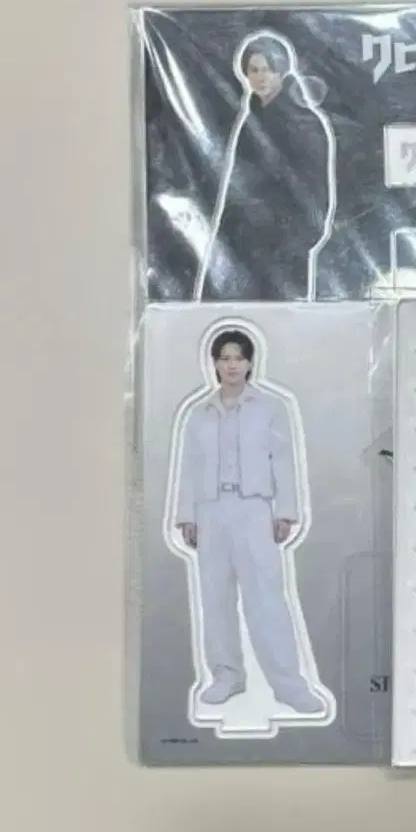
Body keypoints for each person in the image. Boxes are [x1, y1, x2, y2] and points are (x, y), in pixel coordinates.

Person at [174, 328, 325, 714]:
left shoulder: (270, 407)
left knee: (266, 597)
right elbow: (189, 467)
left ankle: (289, 685)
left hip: (254, 507)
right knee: (215, 597)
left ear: (250, 362)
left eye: (238, 358)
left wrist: (285, 511)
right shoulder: (199, 413)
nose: (231, 365)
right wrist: (187, 515)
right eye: (224, 358)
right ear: (214, 363)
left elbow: (284, 460)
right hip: (210, 509)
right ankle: (226, 675)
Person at [200, 35, 333, 301]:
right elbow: (236, 185)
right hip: (246, 242)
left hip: (285, 245)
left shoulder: (303, 121)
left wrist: (296, 238)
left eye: (268, 69)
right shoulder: (251, 119)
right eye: (254, 70)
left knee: (282, 316)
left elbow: (315, 190)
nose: (261, 77)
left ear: (281, 71)